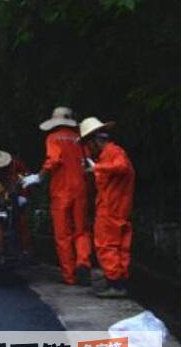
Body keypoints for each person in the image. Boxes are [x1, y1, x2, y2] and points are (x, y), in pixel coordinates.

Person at [21, 107, 91, 285]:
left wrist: (39, 176)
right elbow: (87, 164)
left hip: (61, 191)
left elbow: (54, 159)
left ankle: (70, 275)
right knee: (81, 230)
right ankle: (83, 262)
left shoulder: (53, 138)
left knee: (63, 234)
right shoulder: (80, 140)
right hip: (80, 189)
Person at [79, 117, 135, 298]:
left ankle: (115, 284)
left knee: (106, 246)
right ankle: (119, 282)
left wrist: (97, 168)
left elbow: (122, 167)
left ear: (95, 141)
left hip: (111, 209)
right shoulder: (109, 155)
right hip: (118, 208)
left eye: (89, 144)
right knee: (120, 247)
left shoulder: (113, 153)